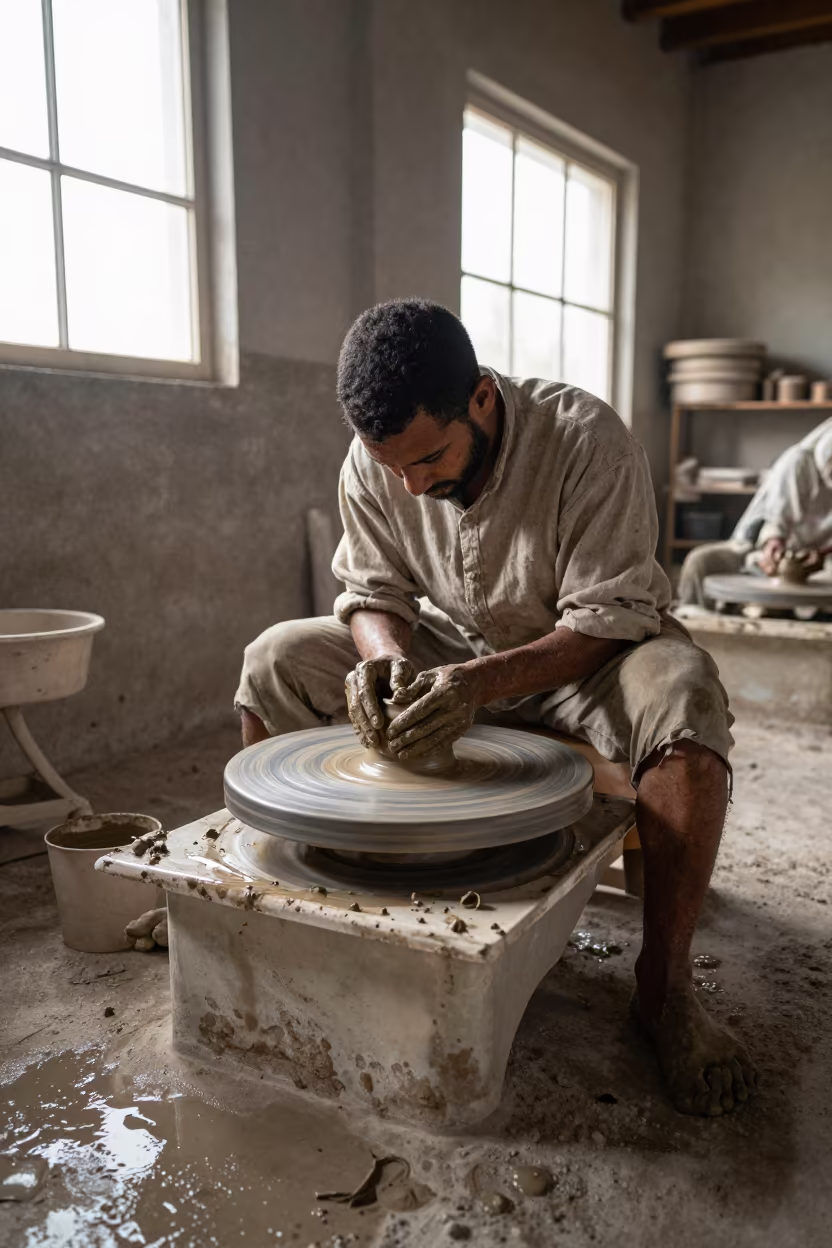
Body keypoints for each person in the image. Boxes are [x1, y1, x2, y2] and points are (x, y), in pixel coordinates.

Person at [236, 299, 755, 1117]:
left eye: (429, 459)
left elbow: (607, 619)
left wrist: (476, 688)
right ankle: (255, 906)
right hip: (458, 649)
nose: (412, 483)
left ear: (480, 398)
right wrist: (389, 660)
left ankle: (665, 987)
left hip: (594, 662)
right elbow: (370, 591)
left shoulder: (586, 440)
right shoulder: (379, 459)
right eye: (391, 465)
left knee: (685, 694)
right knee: (274, 658)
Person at [678, 418, 832, 606]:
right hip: (762, 551)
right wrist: (773, 550)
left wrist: (820, 555)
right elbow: (774, 528)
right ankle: (693, 623)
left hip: (820, 565)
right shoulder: (798, 463)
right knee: (699, 562)